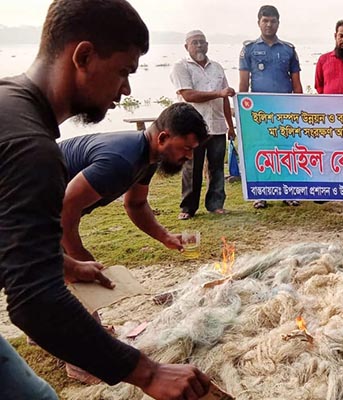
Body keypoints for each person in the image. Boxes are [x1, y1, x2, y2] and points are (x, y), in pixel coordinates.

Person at [0, 1, 211, 399]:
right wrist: (147, 372)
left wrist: (63, 263)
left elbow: (10, 229)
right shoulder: (33, 149)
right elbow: (34, 302)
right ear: (83, 56)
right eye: (124, 72)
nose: (127, 89)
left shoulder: (11, 105)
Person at [60, 103, 208, 261]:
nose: (190, 156)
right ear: (163, 138)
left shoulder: (148, 158)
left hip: (48, 214)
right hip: (35, 202)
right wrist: (78, 257)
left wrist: (164, 236)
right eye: (186, 148)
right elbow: (65, 207)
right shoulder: (121, 160)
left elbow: (136, 204)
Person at [239, 5, 302, 209]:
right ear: (258, 22)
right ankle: (261, 194)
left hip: (284, 109)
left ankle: (288, 191)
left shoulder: (288, 50)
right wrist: (242, 111)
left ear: (278, 23)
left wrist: (300, 107)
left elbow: (296, 82)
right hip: (259, 111)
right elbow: (243, 84)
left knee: (285, 150)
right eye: (265, 20)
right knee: (261, 151)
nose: (269, 24)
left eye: (272, 21)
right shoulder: (248, 49)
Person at [171, 30, 235, 220]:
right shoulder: (181, 67)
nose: (199, 46)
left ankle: (215, 204)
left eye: (202, 42)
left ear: (207, 45)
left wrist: (230, 126)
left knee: (217, 167)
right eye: (195, 42)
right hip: (192, 128)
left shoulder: (217, 67)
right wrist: (218, 93)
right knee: (192, 167)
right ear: (186, 47)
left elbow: (225, 100)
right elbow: (188, 95)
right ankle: (188, 208)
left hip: (216, 125)